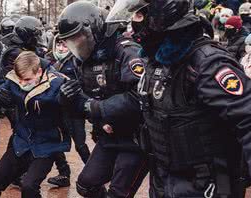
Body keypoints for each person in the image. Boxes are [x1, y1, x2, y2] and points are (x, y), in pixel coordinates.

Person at [103, 0, 251, 196]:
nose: (132, 24)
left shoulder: (207, 63)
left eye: (138, 15)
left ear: (160, 15)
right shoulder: (155, 61)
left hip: (206, 185)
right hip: (163, 180)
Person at [57, 2, 148, 197]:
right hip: (109, 134)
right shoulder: (82, 61)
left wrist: (97, 108)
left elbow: (139, 97)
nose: (77, 45)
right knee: (86, 185)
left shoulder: (126, 51)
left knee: (118, 193)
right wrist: (67, 100)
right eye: (71, 41)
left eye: (79, 38)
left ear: (94, 30)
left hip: (136, 138)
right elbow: (83, 104)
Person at [0, 51, 71, 198]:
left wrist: (71, 102)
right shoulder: (15, 80)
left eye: (27, 79)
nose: (22, 83)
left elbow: (82, 104)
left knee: (29, 187)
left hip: (46, 145)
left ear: (39, 72)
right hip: (22, 142)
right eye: (20, 79)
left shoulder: (58, 84)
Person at [46, 36, 91, 187]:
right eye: (58, 44)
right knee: (55, 143)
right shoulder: (49, 60)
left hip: (74, 110)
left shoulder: (77, 60)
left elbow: (85, 84)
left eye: (65, 45)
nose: (61, 48)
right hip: (56, 110)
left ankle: (93, 170)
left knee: (80, 144)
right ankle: (64, 174)